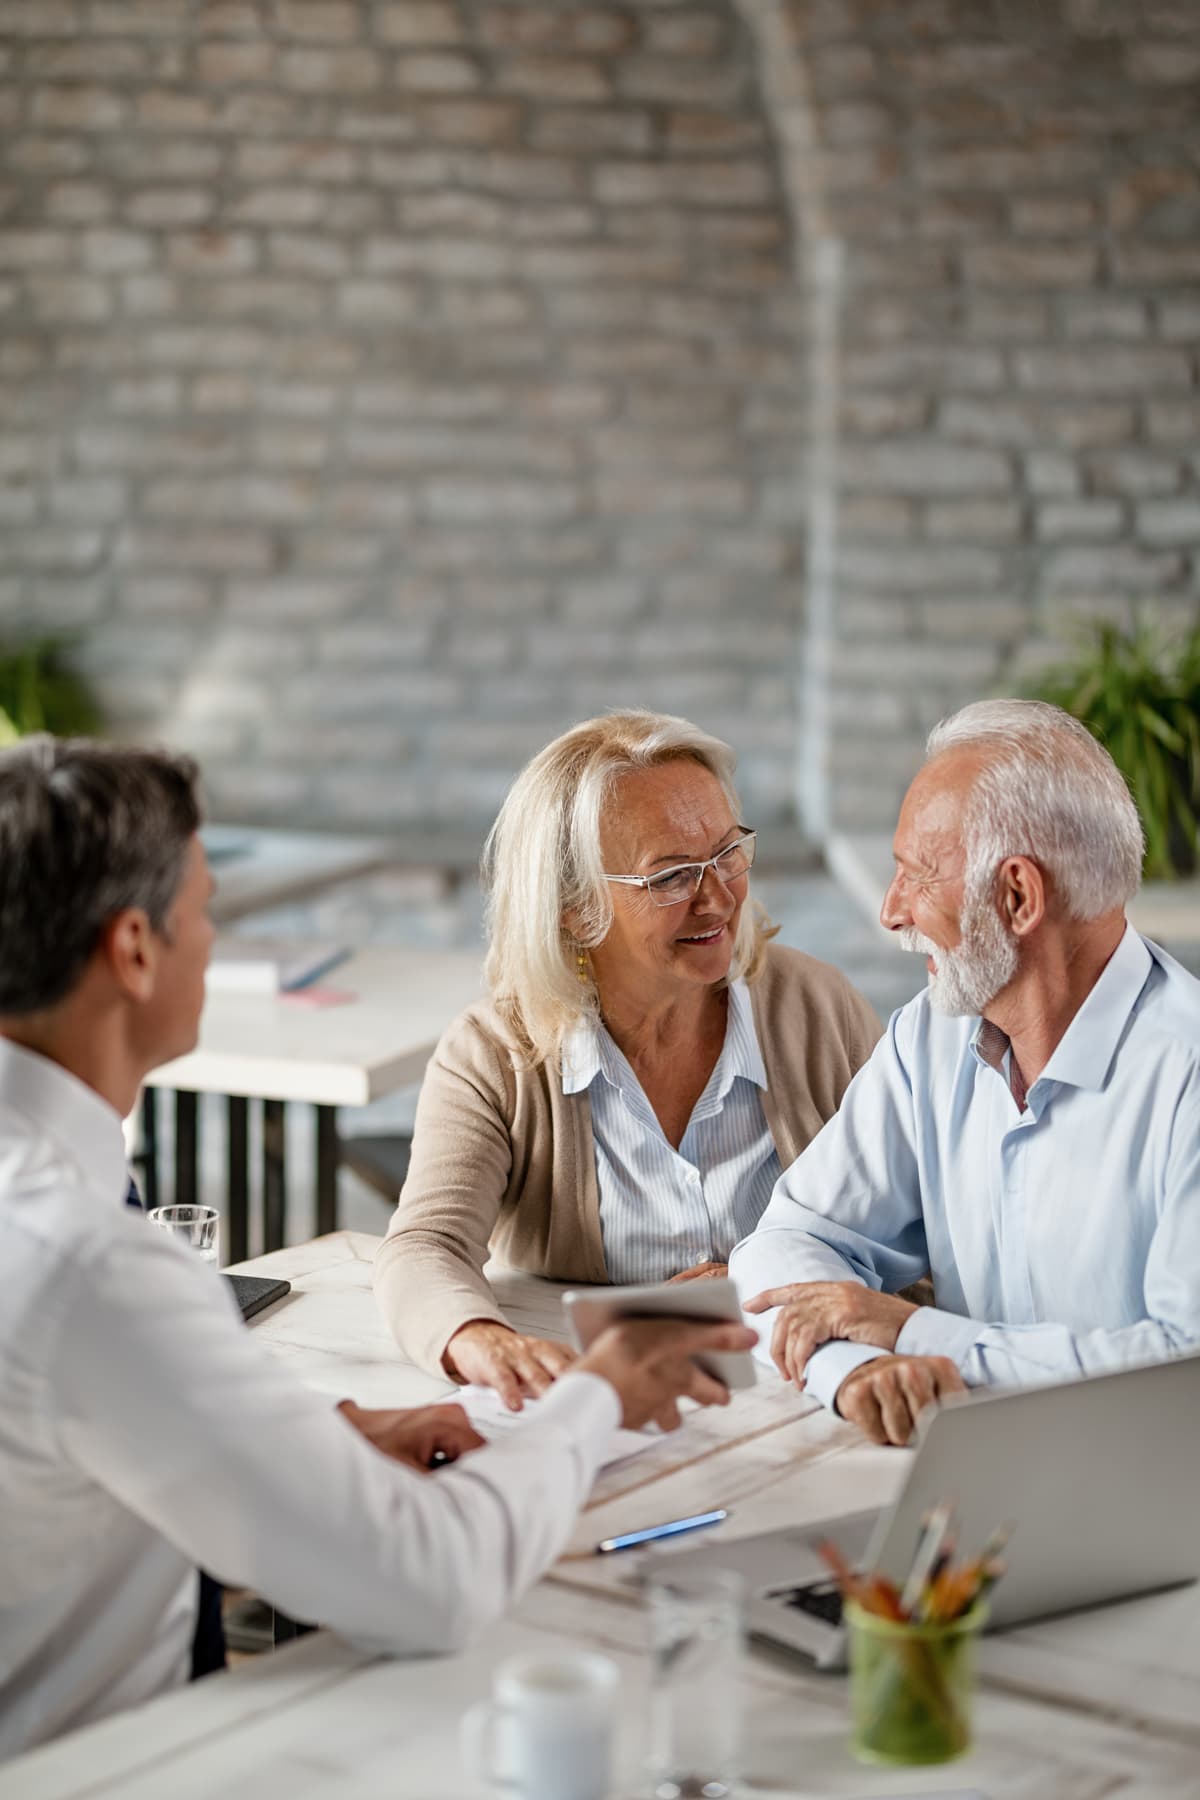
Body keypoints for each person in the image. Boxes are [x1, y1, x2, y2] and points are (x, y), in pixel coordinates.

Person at [0, 736, 756, 1759]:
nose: (215, 943)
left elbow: (67, 1464)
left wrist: (314, 1449)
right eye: (206, 909)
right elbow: (428, 1584)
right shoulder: (91, 1264)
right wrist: (599, 1395)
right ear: (135, 949)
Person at [374, 710, 881, 1407]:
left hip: (811, 1401)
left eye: (728, 852)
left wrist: (780, 1287)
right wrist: (480, 1338)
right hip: (602, 1408)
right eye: (671, 876)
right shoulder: (495, 1052)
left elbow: (913, 1239)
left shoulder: (818, 1009)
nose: (719, 895)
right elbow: (423, 1248)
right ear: (574, 908)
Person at [729, 698, 1200, 1448]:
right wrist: (853, 1368)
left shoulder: (1187, 1074)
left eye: (916, 874)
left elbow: (1181, 1374)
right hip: (960, 1480)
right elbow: (780, 1249)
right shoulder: (932, 1037)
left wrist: (917, 1333)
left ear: (1017, 896)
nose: (891, 910)